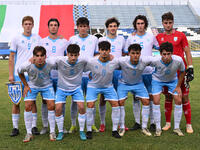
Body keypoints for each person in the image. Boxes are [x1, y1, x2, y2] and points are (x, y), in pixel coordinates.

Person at [156, 12, 194, 133]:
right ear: (162, 24)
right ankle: (167, 123)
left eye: (170, 22)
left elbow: (187, 51)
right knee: (168, 96)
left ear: (173, 23)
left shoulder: (181, 35)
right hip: (168, 73)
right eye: (165, 23)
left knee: (184, 97)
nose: (168, 25)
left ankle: (188, 124)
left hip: (181, 71)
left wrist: (191, 66)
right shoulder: (159, 37)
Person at [124, 15, 159, 131]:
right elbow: (125, 53)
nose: (140, 26)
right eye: (138, 23)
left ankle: (153, 122)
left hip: (149, 73)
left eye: (142, 23)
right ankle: (137, 122)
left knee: (151, 97)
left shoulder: (151, 36)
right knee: (136, 98)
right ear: (135, 25)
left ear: (145, 24)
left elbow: (160, 48)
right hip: (136, 73)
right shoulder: (130, 38)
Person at [8, 16, 41, 137]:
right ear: (22, 25)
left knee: (31, 102)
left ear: (33, 25)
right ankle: (15, 128)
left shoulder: (37, 38)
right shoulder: (16, 38)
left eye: (30, 24)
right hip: (18, 75)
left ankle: (33, 126)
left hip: (32, 75)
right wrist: (11, 74)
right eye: (26, 24)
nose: (28, 26)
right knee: (16, 101)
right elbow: (11, 58)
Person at [18, 46, 56, 142]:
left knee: (51, 106)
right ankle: (29, 133)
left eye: (42, 56)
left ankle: (52, 132)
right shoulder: (27, 65)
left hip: (47, 86)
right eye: (37, 55)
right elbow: (19, 72)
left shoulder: (50, 63)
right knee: (27, 106)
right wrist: (26, 85)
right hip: (32, 86)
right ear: (33, 56)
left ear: (45, 56)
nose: (40, 58)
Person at [50, 44, 87, 141]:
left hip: (76, 88)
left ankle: (82, 131)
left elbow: (94, 62)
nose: (73, 58)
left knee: (82, 107)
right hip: (62, 88)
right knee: (58, 109)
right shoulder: (59, 60)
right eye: (71, 55)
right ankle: (61, 131)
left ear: (79, 54)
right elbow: (48, 61)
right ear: (67, 54)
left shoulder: (83, 61)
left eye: (75, 55)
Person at [68, 17, 99, 133]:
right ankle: (73, 124)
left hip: (91, 75)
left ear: (88, 27)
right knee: (75, 101)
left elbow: (97, 55)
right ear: (77, 27)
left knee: (91, 101)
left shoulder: (94, 39)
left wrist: (91, 67)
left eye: (85, 26)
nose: (83, 28)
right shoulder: (72, 39)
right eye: (80, 26)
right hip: (77, 75)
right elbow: (68, 57)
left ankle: (92, 124)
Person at [85, 41, 121, 139]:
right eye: (102, 50)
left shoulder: (115, 62)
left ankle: (114, 130)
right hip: (93, 86)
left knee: (115, 105)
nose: (104, 52)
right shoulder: (92, 61)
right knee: (90, 105)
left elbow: (125, 65)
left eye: (106, 50)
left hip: (108, 87)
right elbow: (81, 67)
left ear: (110, 51)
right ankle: (88, 130)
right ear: (99, 51)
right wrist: (89, 74)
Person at [40, 18, 69, 134]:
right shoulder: (42, 41)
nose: (53, 27)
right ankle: (45, 126)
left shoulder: (64, 41)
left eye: (55, 25)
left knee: (61, 101)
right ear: (48, 27)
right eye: (51, 25)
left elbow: (68, 58)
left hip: (61, 76)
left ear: (58, 27)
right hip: (46, 77)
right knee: (45, 101)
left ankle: (61, 127)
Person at [98, 17, 126, 132]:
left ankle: (121, 124)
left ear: (117, 27)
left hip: (119, 72)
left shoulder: (121, 39)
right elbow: (97, 56)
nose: (113, 28)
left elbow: (124, 53)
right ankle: (102, 123)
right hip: (105, 72)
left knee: (120, 99)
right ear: (107, 28)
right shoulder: (102, 40)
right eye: (110, 26)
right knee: (103, 98)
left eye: (114, 26)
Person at [118, 44, 153, 136]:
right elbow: (109, 63)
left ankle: (144, 127)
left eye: (137, 53)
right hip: (124, 84)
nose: (135, 55)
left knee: (146, 101)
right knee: (120, 102)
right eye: (133, 53)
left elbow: (158, 61)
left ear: (140, 53)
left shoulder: (144, 60)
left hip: (138, 84)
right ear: (128, 53)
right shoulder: (122, 60)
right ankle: (122, 127)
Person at [151, 42, 185, 136]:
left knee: (178, 100)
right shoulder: (155, 60)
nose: (166, 56)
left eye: (169, 54)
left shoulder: (178, 60)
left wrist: (178, 86)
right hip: (157, 80)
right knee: (156, 100)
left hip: (172, 81)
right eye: (164, 54)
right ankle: (158, 128)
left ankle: (177, 128)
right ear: (160, 53)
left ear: (172, 53)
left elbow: (182, 71)